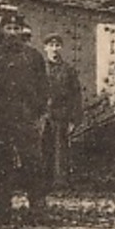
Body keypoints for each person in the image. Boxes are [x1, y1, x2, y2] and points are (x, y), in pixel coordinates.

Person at [0, 16, 51, 224]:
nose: (12, 32)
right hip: (0, 117)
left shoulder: (33, 56)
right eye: (8, 28)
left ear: (22, 31)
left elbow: (43, 86)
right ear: (3, 30)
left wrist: (37, 112)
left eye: (16, 28)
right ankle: (0, 210)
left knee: (33, 163)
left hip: (25, 116)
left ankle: (37, 209)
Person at [42, 33, 82, 187]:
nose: (54, 49)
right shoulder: (40, 68)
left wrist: (74, 119)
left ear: (61, 48)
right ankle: (43, 180)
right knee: (43, 147)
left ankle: (60, 182)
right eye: (51, 46)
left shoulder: (68, 70)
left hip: (61, 114)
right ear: (45, 48)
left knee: (61, 149)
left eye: (57, 45)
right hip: (44, 114)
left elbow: (76, 94)